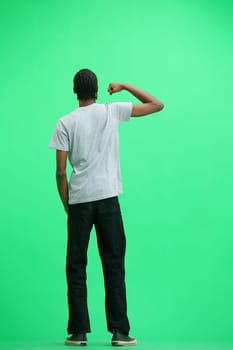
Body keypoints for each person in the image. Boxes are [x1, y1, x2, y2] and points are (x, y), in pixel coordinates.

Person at [49, 69, 164, 347]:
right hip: (108, 199)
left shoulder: (64, 123)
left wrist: (68, 206)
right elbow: (156, 104)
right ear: (97, 90)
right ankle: (120, 332)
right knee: (113, 265)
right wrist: (124, 85)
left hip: (79, 202)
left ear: (75, 91)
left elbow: (60, 173)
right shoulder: (111, 111)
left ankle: (78, 332)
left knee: (76, 266)